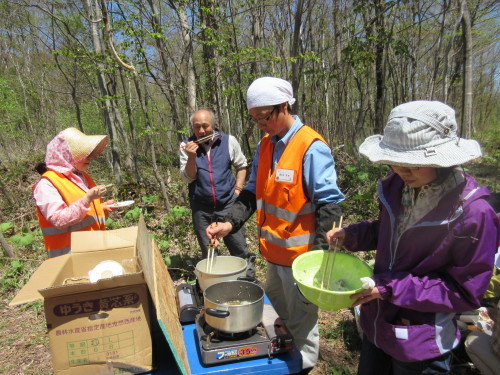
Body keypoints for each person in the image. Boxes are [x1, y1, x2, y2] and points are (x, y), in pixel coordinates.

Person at [327, 101, 498, 375]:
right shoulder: (398, 185)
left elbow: (463, 291)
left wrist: (389, 288)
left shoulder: (474, 213)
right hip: (378, 322)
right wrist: (352, 236)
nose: (402, 170)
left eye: (414, 164)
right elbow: (388, 229)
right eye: (396, 161)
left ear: (441, 160)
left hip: (422, 338)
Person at [206, 77, 345, 372]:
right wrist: (228, 223)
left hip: (302, 261)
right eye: (254, 119)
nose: (260, 124)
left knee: (302, 324)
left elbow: (329, 206)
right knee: (280, 317)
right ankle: (283, 364)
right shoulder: (265, 146)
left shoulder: (311, 147)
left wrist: (319, 261)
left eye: (264, 117)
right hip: (273, 256)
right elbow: (252, 193)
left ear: (284, 106)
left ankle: (303, 367)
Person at [180, 109, 252, 268]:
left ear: (213, 125)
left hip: (228, 204)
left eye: (205, 126)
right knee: (209, 252)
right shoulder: (186, 145)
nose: (201, 131)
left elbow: (242, 165)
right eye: (196, 127)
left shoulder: (228, 141)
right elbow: (188, 178)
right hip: (201, 207)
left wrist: (238, 190)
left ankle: (247, 280)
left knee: (239, 247)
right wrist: (192, 157)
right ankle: (215, 284)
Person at [34, 127, 115, 258]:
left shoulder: (82, 177)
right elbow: (59, 220)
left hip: (93, 251)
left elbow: (84, 215)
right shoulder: (46, 185)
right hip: (69, 258)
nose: (89, 157)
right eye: (82, 153)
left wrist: (103, 209)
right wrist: (87, 198)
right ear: (66, 155)